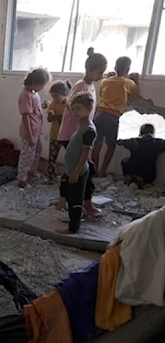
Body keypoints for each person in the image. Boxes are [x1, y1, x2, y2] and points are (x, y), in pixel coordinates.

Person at [56, 47, 107, 217]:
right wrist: (82, 126)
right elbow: (71, 106)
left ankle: (65, 200)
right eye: (99, 72)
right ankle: (85, 204)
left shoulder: (90, 86)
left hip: (80, 134)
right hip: (73, 135)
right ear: (89, 70)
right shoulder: (80, 86)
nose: (101, 76)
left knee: (74, 169)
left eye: (103, 73)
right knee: (85, 170)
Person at [92, 56, 141, 177]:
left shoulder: (105, 81)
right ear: (128, 69)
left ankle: (94, 171)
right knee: (111, 145)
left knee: (97, 144)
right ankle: (102, 171)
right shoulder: (128, 83)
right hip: (113, 117)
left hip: (99, 114)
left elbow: (101, 94)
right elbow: (135, 97)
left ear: (114, 67)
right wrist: (136, 81)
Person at [57, 92, 97, 233]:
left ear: (89, 109)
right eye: (73, 109)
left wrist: (75, 172)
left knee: (75, 200)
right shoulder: (81, 126)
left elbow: (85, 154)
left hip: (78, 171)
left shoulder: (88, 130)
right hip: (72, 169)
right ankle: (73, 218)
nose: (75, 112)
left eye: (78, 108)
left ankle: (73, 228)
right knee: (70, 196)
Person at [17, 67, 51, 188]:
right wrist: (30, 136)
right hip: (29, 132)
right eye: (41, 85)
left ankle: (31, 171)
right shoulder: (26, 95)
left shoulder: (34, 93)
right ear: (35, 83)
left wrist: (42, 106)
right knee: (27, 155)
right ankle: (22, 177)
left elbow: (34, 109)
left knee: (37, 151)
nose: (42, 88)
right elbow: (26, 116)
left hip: (36, 130)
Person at [118, 123, 165, 189]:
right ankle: (140, 179)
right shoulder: (158, 143)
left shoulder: (133, 141)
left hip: (133, 170)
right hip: (149, 175)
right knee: (149, 172)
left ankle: (130, 177)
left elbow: (120, 142)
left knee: (125, 161)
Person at [43, 80, 72, 183]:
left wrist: (59, 117)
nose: (54, 99)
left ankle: (69, 175)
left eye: (56, 96)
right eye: (53, 96)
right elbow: (49, 119)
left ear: (64, 94)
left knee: (70, 157)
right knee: (52, 158)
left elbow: (71, 118)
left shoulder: (69, 105)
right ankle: (51, 176)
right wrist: (50, 115)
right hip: (55, 135)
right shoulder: (53, 104)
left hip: (67, 136)